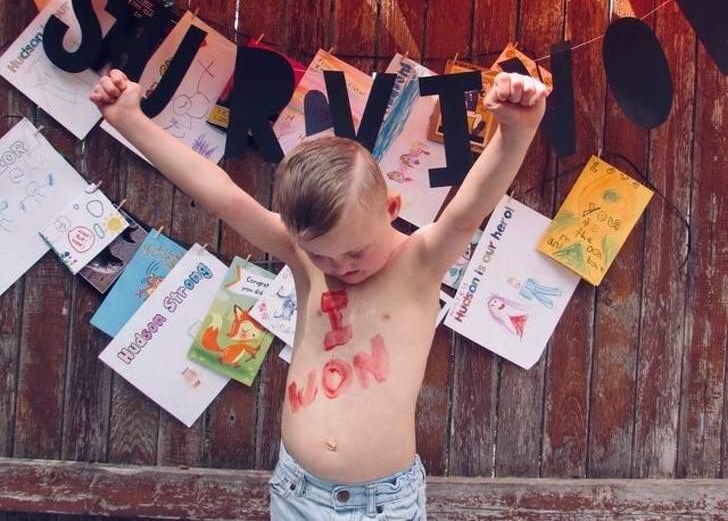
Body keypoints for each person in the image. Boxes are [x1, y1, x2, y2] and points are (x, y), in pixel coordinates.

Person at [90, 67, 548, 520]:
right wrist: (130, 119)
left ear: (391, 209)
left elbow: (470, 209)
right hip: (296, 491)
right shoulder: (302, 256)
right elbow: (220, 194)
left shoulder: (419, 263)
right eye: (322, 256)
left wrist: (517, 130)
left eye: (355, 252)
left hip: (381, 504)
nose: (340, 268)